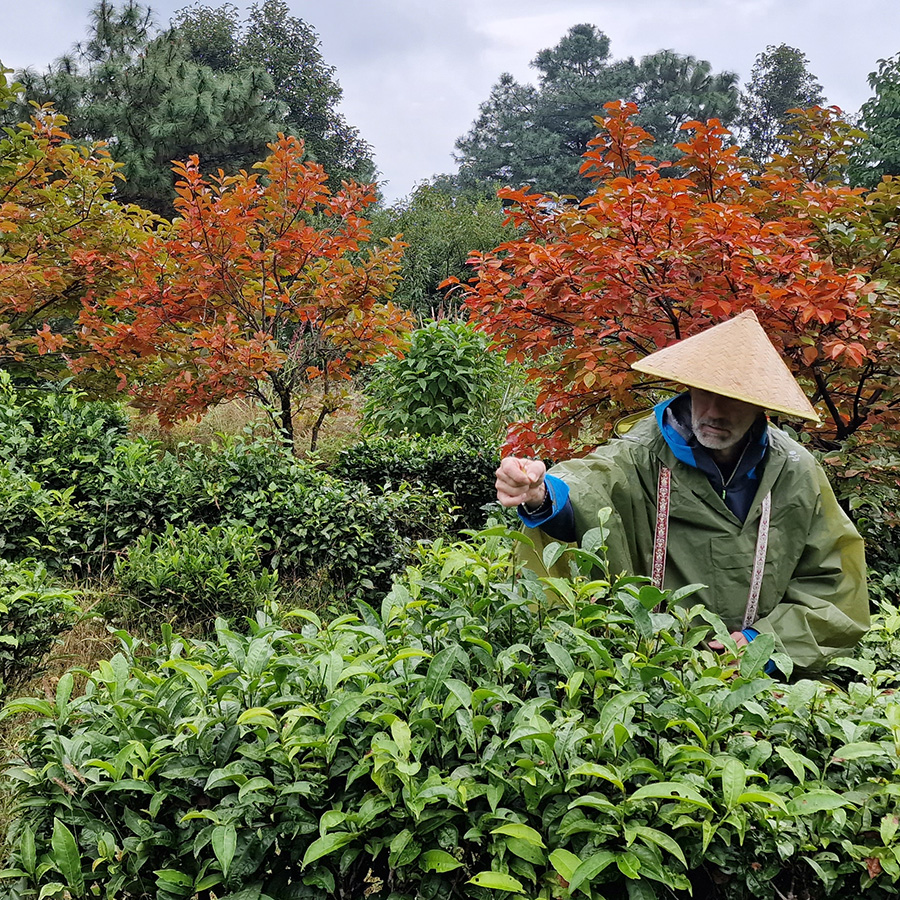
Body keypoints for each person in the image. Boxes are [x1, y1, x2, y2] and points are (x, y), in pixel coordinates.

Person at [496, 310, 869, 674]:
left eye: (733, 397)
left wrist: (764, 643)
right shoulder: (643, 454)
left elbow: (834, 584)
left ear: (761, 404)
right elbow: (591, 484)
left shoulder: (795, 470)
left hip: (763, 686)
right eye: (703, 392)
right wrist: (539, 492)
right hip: (655, 677)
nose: (713, 411)